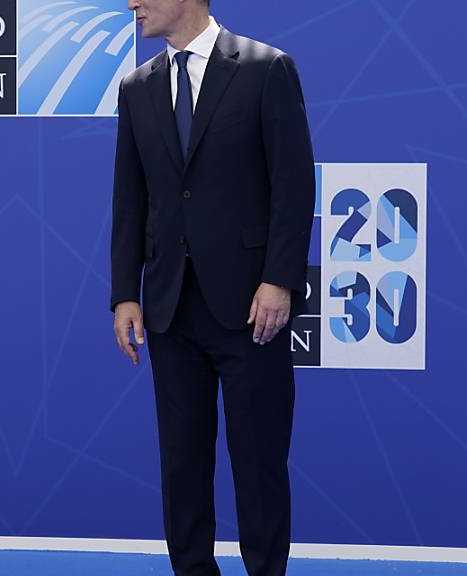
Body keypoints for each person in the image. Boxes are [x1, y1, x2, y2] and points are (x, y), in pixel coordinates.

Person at [110, 1, 314, 574]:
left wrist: (279, 281)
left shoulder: (265, 68)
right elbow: (130, 200)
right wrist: (125, 292)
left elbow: (294, 188)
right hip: (170, 309)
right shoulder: (136, 87)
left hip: (253, 308)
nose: (133, 3)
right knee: (181, 465)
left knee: (259, 463)